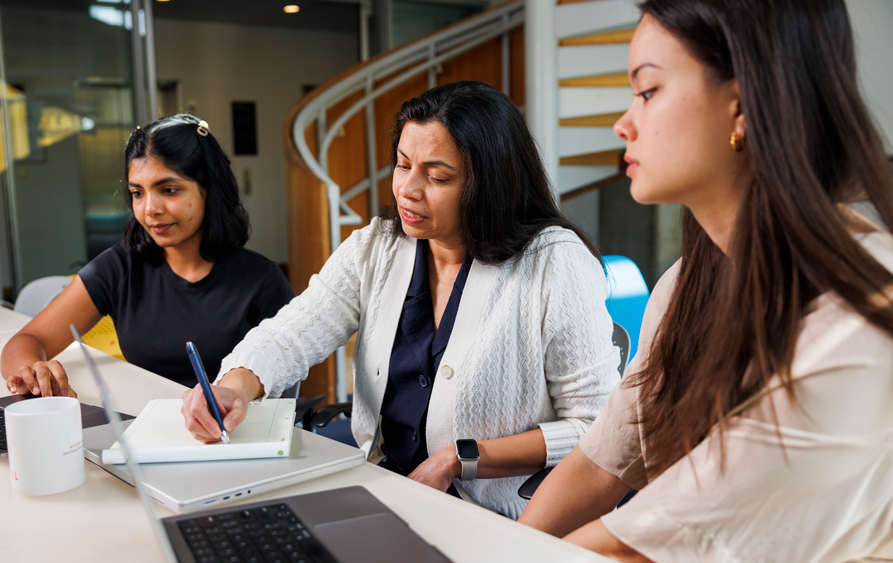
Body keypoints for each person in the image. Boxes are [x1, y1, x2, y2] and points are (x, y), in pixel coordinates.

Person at [518, 0, 893, 560]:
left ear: (740, 107)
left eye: (647, 92)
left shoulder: (858, 315)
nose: (623, 124)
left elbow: (649, 547)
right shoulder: (684, 285)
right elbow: (604, 459)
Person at [182, 81, 621, 519]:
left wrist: (459, 458)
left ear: (490, 184)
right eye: (402, 165)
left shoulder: (553, 262)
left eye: (437, 176)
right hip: (387, 490)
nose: (408, 189)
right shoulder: (377, 248)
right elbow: (293, 331)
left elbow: (597, 426)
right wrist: (233, 386)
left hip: (497, 518)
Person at [0, 114, 293, 396]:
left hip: (234, 434)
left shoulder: (262, 281)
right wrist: (31, 373)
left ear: (209, 191)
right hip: (145, 429)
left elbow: (282, 375)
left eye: (168, 190)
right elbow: (28, 340)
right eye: (137, 193)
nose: (149, 209)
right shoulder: (120, 267)